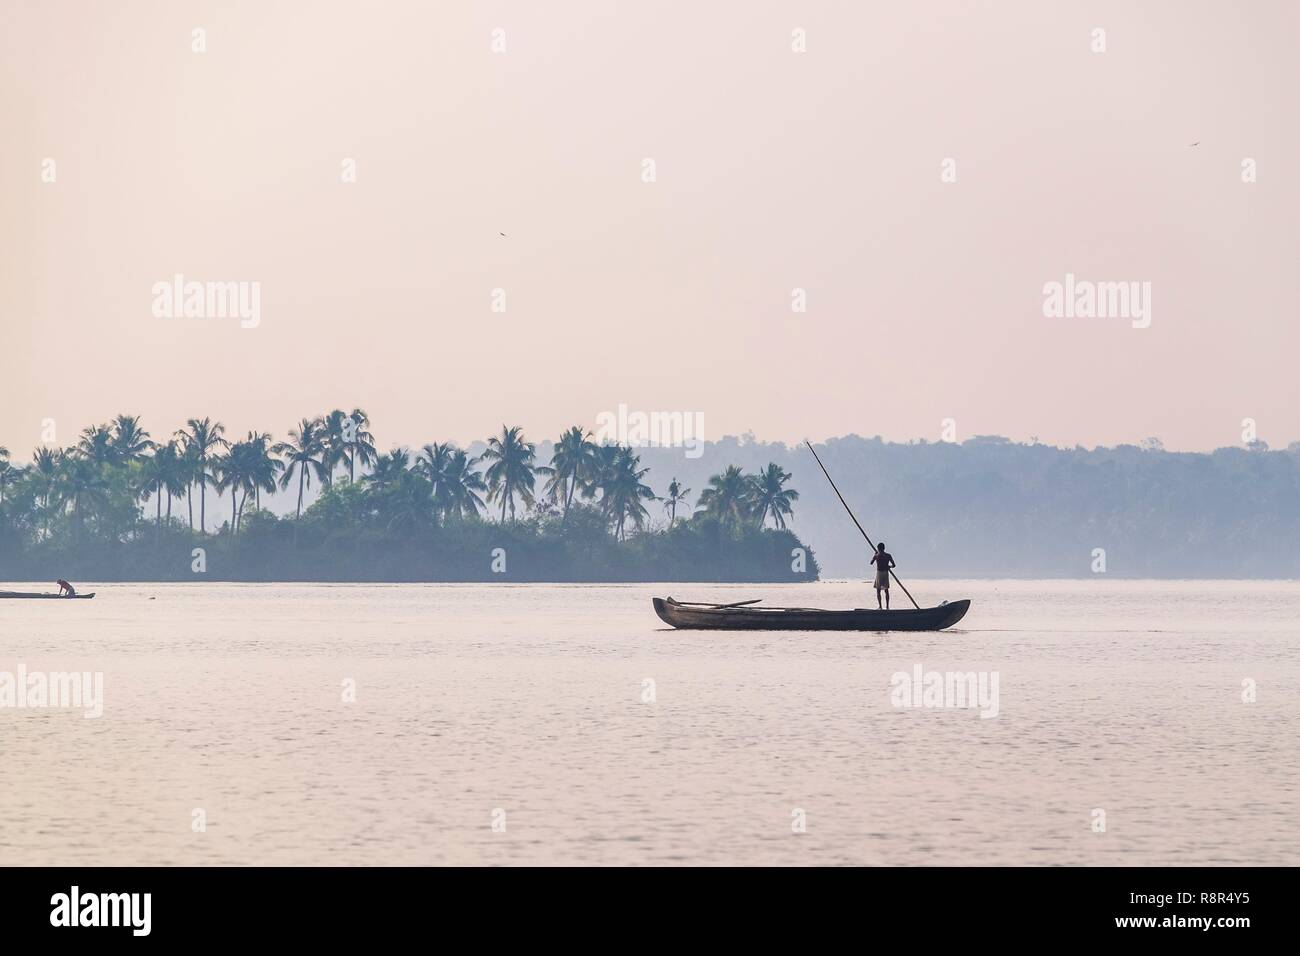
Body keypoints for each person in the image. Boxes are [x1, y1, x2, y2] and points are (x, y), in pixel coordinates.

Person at [869, 543, 895, 609]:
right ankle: (887, 606)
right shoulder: (888, 555)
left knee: (878, 590)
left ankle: (880, 606)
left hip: (879, 573)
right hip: (886, 573)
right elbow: (894, 565)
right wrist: (889, 566)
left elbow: (871, 563)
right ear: (884, 548)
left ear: (878, 548)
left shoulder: (877, 555)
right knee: (886, 590)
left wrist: (875, 555)